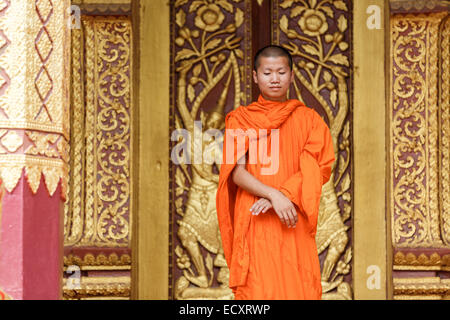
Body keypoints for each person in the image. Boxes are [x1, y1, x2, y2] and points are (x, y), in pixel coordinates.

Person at [216, 45, 335, 300]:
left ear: (291, 76)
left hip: (292, 217)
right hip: (255, 219)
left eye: (281, 72)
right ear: (255, 76)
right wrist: (273, 195)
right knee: (259, 292)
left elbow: (318, 166)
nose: (274, 78)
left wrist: (284, 195)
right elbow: (236, 173)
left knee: (297, 288)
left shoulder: (310, 120)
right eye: (267, 72)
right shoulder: (240, 119)